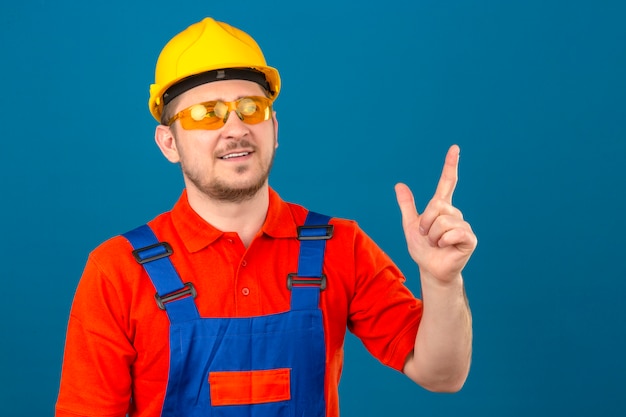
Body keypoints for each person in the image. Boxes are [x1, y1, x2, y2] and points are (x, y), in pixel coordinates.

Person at [55, 17, 477, 417]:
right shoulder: (117, 271)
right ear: (169, 143)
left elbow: (443, 374)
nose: (235, 127)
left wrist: (442, 282)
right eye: (206, 113)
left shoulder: (339, 246)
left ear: (274, 127)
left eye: (251, 108)